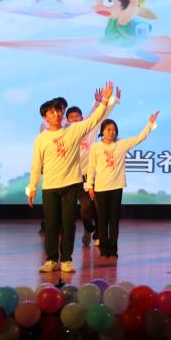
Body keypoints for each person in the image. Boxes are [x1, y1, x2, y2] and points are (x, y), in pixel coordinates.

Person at [28, 83, 117, 274]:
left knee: (68, 224)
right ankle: (52, 259)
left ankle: (66, 260)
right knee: (51, 225)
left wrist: (104, 102)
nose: (56, 114)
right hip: (50, 186)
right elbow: (36, 164)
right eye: (51, 112)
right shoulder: (41, 138)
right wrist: (32, 187)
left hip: (71, 184)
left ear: (62, 113)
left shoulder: (73, 130)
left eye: (58, 111)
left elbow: (94, 120)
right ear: (45, 117)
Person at [86, 112, 158, 259]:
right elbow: (91, 167)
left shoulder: (121, 144)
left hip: (116, 187)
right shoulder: (95, 147)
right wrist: (89, 185)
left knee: (114, 219)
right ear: (102, 132)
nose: (111, 132)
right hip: (100, 188)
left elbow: (139, 138)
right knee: (102, 219)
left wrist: (150, 124)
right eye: (108, 129)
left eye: (114, 130)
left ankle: (113, 249)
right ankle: (104, 248)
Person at [65, 105, 99, 248]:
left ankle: (95, 233)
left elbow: (96, 117)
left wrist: (98, 104)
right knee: (81, 209)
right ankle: (88, 228)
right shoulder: (64, 134)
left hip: (88, 176)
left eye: (76, 116)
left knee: (93, 206)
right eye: (71, 117)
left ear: (82, 118)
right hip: (72, 177)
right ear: (67, 120)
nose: (74, 119)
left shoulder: (89, 131)